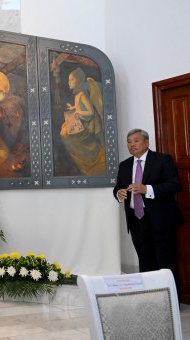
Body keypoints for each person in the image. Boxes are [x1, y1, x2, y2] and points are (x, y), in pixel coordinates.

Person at [113, 129, 183, 281]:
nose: (132, 144)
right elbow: (117, 187)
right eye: (129, 141)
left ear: (146, 142)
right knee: (145, 264)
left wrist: (147, 189)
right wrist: (119, 194)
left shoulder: (162, 159)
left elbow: (175, 185)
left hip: (161, 221)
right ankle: (151, 301)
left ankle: (171, 303)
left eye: (136, 140)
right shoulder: (124, 165)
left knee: (166, 264)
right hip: (136, 221)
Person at [59, 67, 105, 175]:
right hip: (81, 119)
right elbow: (80, 107)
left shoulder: (82, 94)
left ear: (78, 81)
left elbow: (90, 112)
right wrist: (74, 108)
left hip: (87, 124)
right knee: (63, 130)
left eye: (71, 80)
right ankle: (80, 155)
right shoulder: (78, 94)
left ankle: (87, 155)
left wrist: (78, 112)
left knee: (64, 133)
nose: (68, 82)